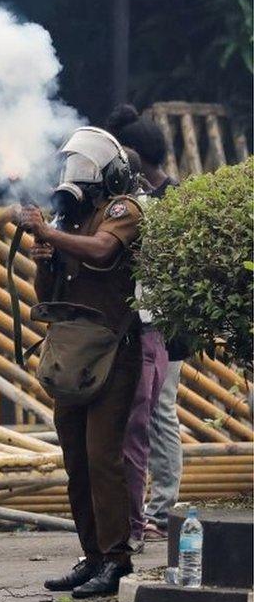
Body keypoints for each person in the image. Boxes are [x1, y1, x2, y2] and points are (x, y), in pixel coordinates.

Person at [21, 126, 143, 598]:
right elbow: (47, 298)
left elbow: (104, 250)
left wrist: (49, 231)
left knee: (102, 457)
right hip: (73, 351)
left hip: (114, 348)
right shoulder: (68, 221)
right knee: (76, 458)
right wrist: (43, 257)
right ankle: (91, 554)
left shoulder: (122, 211)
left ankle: (116, 559)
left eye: (85, 170)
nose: (77, 179)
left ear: (109, 174)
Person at [107, 104, 183, 541]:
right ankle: (148, 509)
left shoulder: (168, 201)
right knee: (147, 416)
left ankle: (162, 507)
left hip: (163, 325)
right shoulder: (142, 197)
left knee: (160, 413)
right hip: (143, 323)